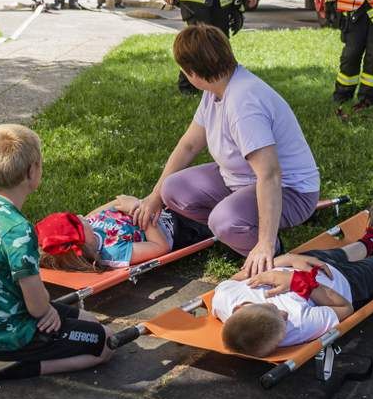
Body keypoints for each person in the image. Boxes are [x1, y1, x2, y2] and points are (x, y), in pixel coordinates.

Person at [133, 24, 320, 277]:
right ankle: (238, 229)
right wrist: (155, 197)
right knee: (172, 190)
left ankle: (271, 251)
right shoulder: (216, 89)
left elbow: (270, 175)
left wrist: (265, 244)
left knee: (224, 220)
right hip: (242, 180)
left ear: (193, 73)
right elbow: (188, 145)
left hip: (291, 190)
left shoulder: (243, 103)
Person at [0, 123, 115, 380]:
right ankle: (19, 367)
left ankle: (8, 355)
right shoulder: (19, 231)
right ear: (32, 172)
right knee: (105, 344)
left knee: (92, 322)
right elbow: (36, 302)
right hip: (16, 335)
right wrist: (46, 311)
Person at [213, 198, 373, 356]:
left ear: (239, 311)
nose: (285, 314)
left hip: (306, 261)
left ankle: (370, 240)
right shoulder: (297, 326)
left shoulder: (224, 299)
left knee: (346, 251)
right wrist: (300, 283)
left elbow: (243, 274)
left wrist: (286, 261)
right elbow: (345, 307)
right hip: (344, 283)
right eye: (283, 321)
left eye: (279, 314)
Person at [36, 195, 175, 271]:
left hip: (149, 207)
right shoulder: (113, 252)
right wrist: (139, 210)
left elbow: (96, 214)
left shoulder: (89, 230)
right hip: (171, 224)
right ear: (82, 244)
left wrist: (119, 202)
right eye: (77, 221)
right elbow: (161, 246)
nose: (79, 215)